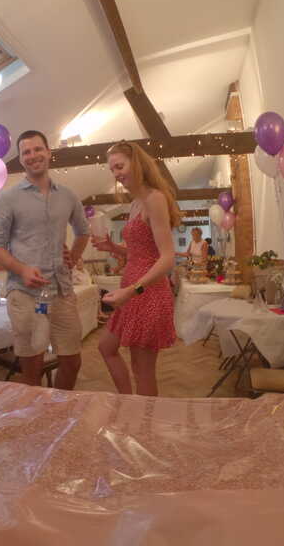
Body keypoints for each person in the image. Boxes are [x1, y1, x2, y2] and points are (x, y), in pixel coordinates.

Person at [0, 130, 90, 389]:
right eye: (26, 152)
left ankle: (59, 409)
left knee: (72, 362)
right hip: (25, 294)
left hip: (62, 291)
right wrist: (21, 269)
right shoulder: (8, 198)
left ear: (48, 152)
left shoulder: (67, 195)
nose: (33, 156)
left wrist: (73, 256)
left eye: (37, 149)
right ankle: (36, 414)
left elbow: (83, 231)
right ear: (21, 159)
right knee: (32, 370)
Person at [91, 141, 177, 396]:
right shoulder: (136, 202)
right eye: (112, 169)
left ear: (136, 164)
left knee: (142, 370)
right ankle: (128, 402)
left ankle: (144, 417)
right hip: (130, 291)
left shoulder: (154, 198)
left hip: (147, 293)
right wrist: (113, 248)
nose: (116, 174)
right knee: (106, 348)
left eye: (119, 166)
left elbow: (167, 258)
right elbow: (141, 252)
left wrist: (131, 290)